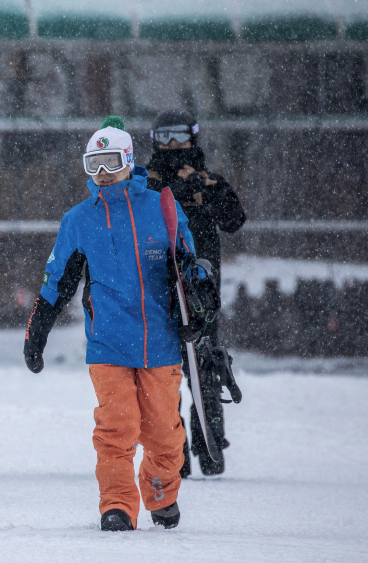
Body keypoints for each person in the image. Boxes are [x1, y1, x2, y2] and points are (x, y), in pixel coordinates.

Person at [23, 117, 201, 531]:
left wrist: (200, 311)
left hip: (161, 341)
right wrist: (37, 333)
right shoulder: (79, 219)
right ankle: (117, 506)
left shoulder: (162, 207)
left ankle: (160, 493)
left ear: (128, 160)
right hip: (107, 343)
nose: (101, 173)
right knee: (116, 428)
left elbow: (192, 273)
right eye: (93, 164)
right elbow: (57, 282)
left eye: (109, 162)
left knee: (164, 433)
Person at [145, 109, 246, 477]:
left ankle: (210, 441)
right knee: (162, 370)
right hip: (158, 286)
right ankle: (175, 447)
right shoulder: (146, 185)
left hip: (202, 290)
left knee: (204, 364)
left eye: (180, 137)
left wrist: (204, 189)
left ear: (194, 138)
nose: (173, 146)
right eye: (165, 137)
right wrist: (165, 193)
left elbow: (234, 220)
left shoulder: (209, 182)